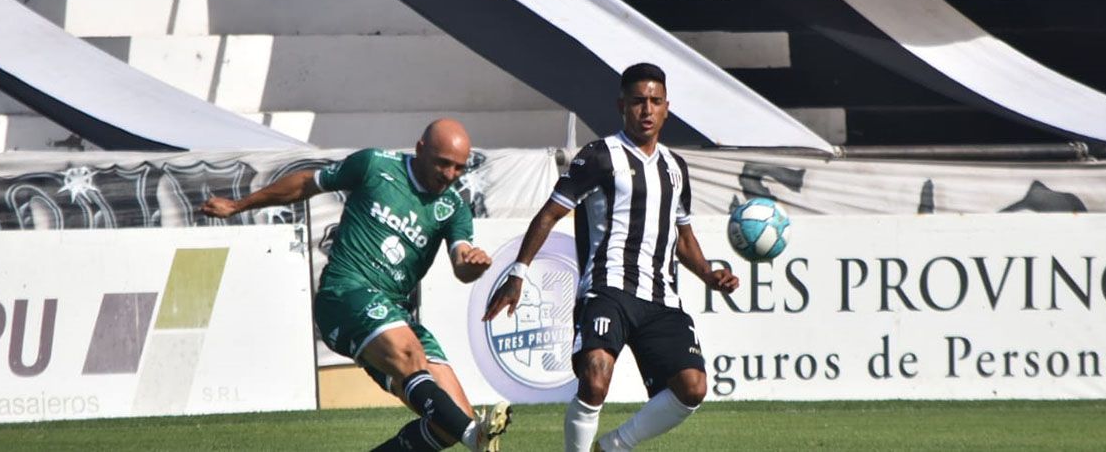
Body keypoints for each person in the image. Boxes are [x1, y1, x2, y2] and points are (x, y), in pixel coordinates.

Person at [202, 119, 511, 452]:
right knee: (412, 357)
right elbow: (306, 183)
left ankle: (467, 431)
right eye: (443, 163)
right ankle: (474, 436)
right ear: (420, 149)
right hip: (344, 294)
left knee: (447, 422)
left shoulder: (453, 208)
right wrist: (239, 205)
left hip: (395, 313)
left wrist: (471, 265)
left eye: (459, 168)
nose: (450, 174)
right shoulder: (374, 165)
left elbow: (461, 262)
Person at [483, 64, 740, 451]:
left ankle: (613, 446)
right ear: (622, 106)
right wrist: (518, 273)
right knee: (595, 378)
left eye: (655, 101)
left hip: (661, 299)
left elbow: (683, 236)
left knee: (692, 388)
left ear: (667, 108)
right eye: (638, 101)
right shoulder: (599, 156)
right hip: (607, 290)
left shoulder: (675, 168)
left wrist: (708, 274)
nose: (647, 110)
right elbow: (549, 214)